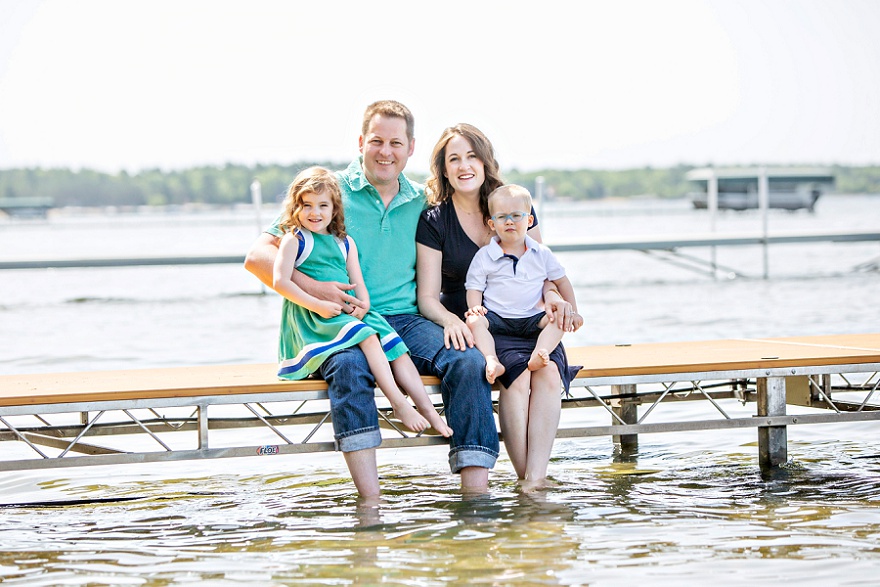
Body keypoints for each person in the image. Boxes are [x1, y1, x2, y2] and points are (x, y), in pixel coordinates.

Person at [244, 101, 498, 497]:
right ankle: (371, 505)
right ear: (361, 141)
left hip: (406, 320)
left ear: (410, 148)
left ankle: (476, 496)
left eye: (396, 143)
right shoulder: (325, 193)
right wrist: (316, 289)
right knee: (348, 367)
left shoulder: (422, 200)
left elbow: (479, 213)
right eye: (377, 140)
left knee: (467, 360)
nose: (385, 151)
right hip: (342, 321)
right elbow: (257, 257)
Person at [415, 124, 583, 489]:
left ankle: (535, 478)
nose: (464, 166)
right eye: (453, 159)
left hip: (529, 317)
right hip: (481, 326)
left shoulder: (513, 204)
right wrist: (451, 321)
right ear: (443, 169)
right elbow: (427, 298)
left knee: (550, 374)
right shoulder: (434, 220)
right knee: (516, 377)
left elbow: (544, 271)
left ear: (485, 160)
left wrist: (556, 298)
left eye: (471, 156)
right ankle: (527, 478)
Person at [272, 166, 452, 438]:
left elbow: (358, 285)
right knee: (369, 338)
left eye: (323, 205)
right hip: (313, 318)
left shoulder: (345, 243)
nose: (314, 213)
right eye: (306, 205)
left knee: (397, 348)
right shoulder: (294, 240)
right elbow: (281, 282)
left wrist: (364, 305)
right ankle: (399, 404)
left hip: (346, 315)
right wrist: (316, 304)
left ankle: (429, 411)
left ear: (335, 209)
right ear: (294, 207)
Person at [464, 184, 578, 384]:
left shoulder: (541, 253)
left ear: (529, 220)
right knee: (473, 322)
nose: (509, 221)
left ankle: (539, 352)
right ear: (492, 224)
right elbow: (474, 287)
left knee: (558, 319)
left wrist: (574, 312)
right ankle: (492, 360)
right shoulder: (484, 256)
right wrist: (475, 307)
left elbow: (562, 282)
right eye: (502, 217)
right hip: (497, 317)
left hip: (531, 316)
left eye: (516, 215)